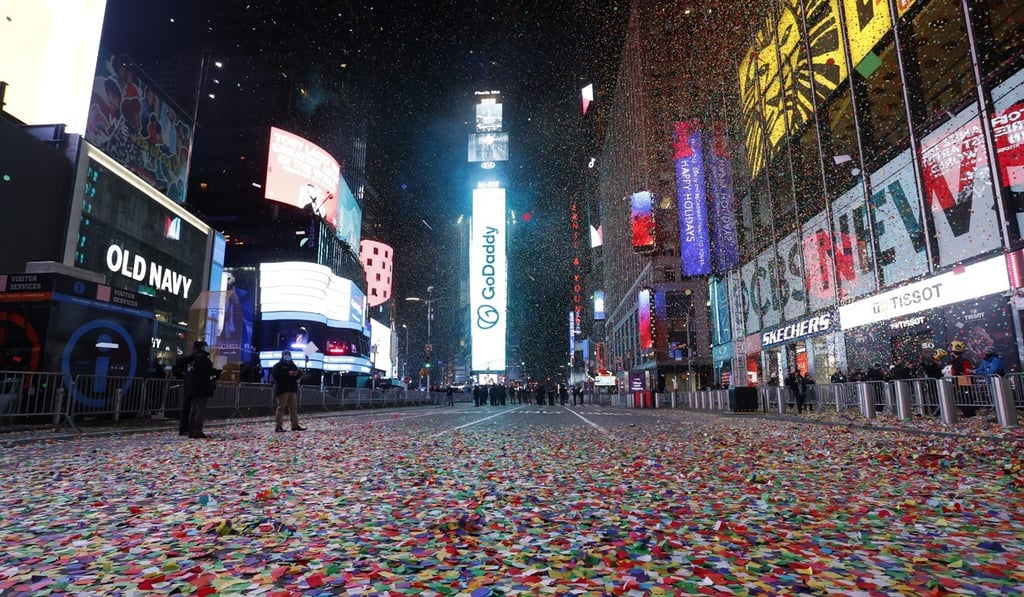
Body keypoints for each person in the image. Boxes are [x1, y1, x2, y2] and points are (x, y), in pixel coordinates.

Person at [176, 340, 220, 438]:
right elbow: (205, 371)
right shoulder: (201, 358)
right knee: (199, 409)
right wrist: (216, 372)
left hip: (191, 387)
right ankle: (196, 431)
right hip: (200, 387)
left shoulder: (191, 358)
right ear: (202, 347)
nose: (207, 347)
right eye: (206, 346)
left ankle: (190, 430)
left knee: (193, 409)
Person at [271, 350, 306, 432]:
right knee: (281, 408)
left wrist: (298, 373)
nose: (287, 356)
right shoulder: (278, 365)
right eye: (286, 355)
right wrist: (287, 373)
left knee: (293, 409)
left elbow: (298, 374)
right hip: (282, 390)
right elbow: (275, 375)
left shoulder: (292, 364)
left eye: (288, 355)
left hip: (292, 389)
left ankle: (295, 425)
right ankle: (278, 426)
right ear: (282, 356)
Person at [948, 340, 977, 417]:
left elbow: (960, 372)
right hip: (964, 381)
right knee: (966, 397)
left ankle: (967, 413)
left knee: (964, 397)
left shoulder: (958, 361)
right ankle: (969, 412)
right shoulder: (963, 360)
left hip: (962, 381)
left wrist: (955, 381)